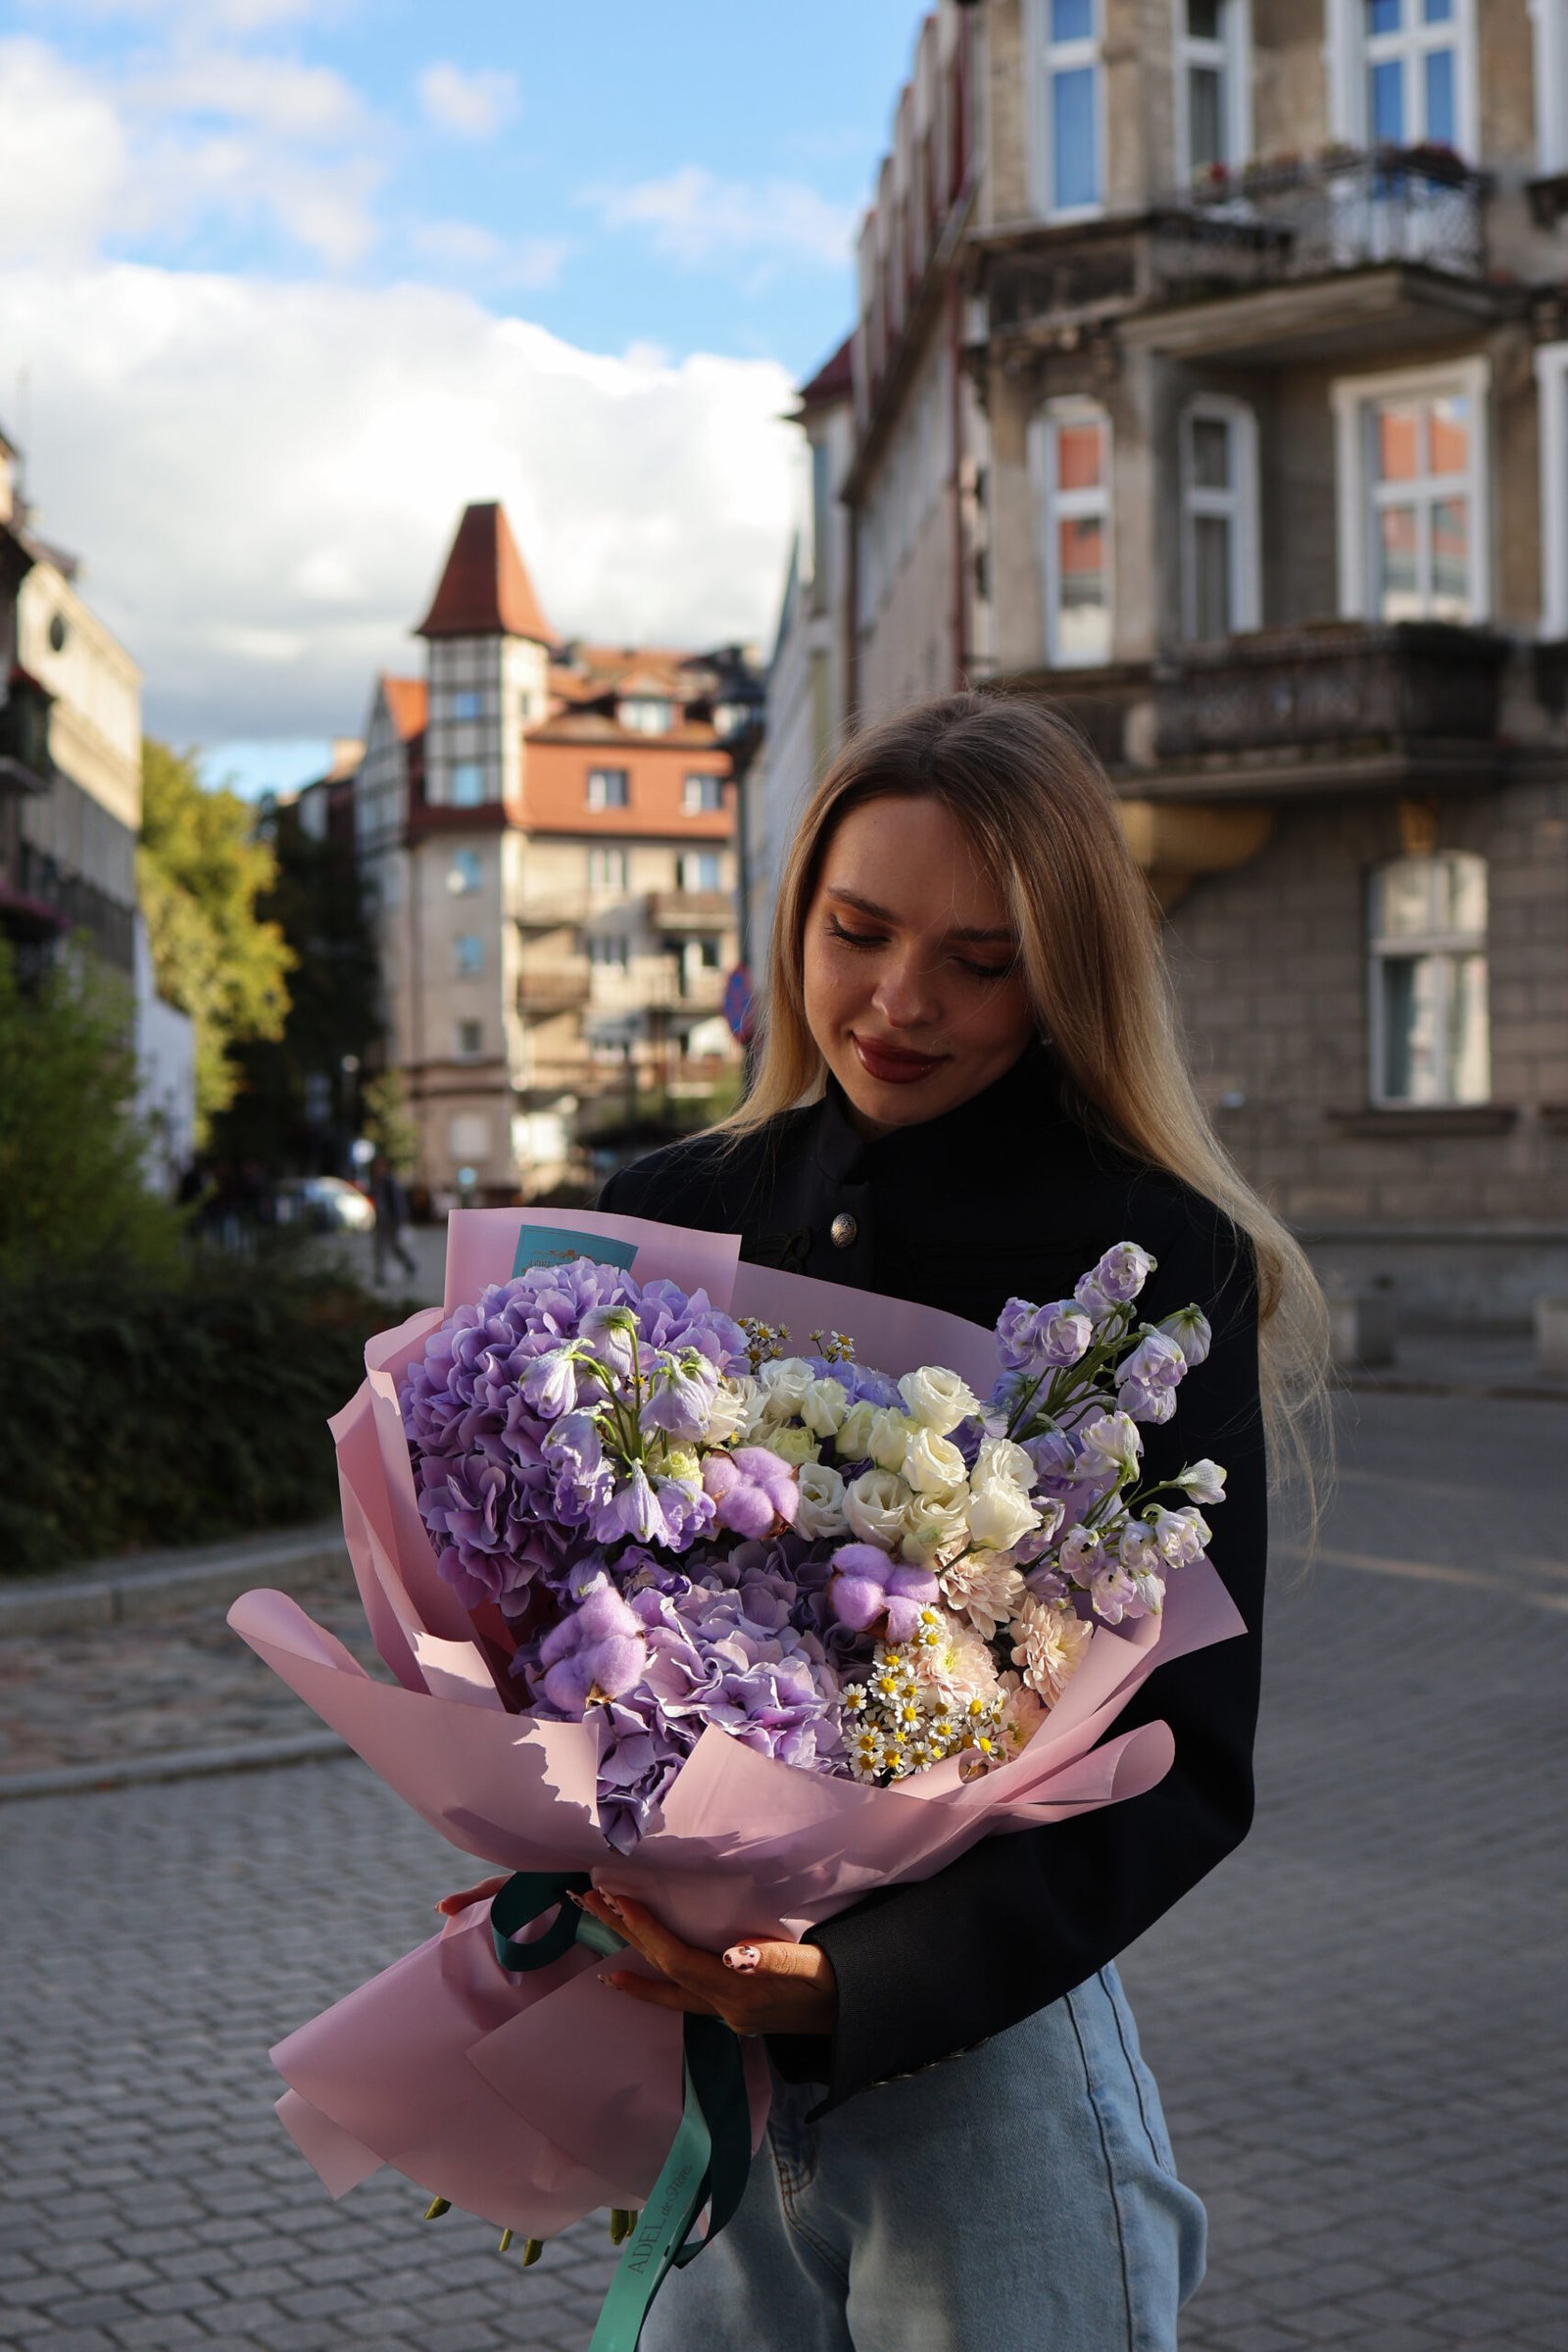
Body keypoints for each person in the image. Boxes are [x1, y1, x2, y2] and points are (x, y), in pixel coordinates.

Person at [571, 692, 1330, 2351]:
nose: (901, 1003)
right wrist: (551, 1854)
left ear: (1067, 971)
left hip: (990, 2071)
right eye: (857, 932)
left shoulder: (1144, 1253)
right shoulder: (665, 1213)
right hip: (700, 2081)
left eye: (981, 963)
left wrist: (858, 1987)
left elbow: (1188, 1762)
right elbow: (537, 1626)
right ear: (794, 918)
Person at [369, 1152, 417, 1285]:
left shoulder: (389, 1182)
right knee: (379, 1249)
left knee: (395, 1247)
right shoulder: (375, 1182)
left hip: (391, 1222)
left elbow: (398, 1202)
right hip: (380, 1222)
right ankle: (380, 1275)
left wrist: (400, 1220)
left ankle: (409, 1265)